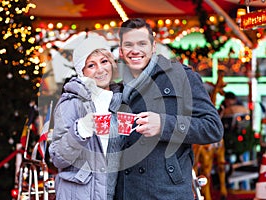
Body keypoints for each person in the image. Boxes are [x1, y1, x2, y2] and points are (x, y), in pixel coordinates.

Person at [114, 18, 224, 200]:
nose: (135, 50)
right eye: (129, 44)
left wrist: (164, 125)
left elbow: (212, 128)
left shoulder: (181, 77)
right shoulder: (116, 89)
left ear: (153, 46)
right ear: (121, 51)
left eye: (142, 43)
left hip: (166, 192)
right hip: (126, 192)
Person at [48, 35, 123, 200]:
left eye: (104, 61)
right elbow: (58, 158)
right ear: (82, 71)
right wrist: (79, 131)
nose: (101, 69)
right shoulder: (71, 102)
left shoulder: (123, 100)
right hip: (81, 193)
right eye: (91, 65)